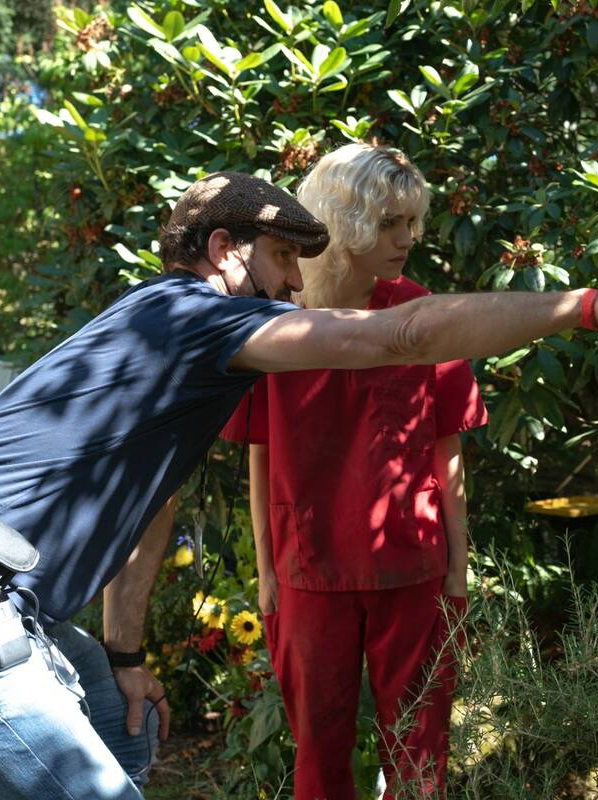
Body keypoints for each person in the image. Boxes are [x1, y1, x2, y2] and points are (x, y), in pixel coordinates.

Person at [0, 169, 598, 800]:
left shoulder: (148, 347)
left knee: (122, 733)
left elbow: (150, 507)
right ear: (224, 251)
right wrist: (585, 306)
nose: (292, 282)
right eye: (282, 257)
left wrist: (128, 653)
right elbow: (404, 335)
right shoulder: (191, 318)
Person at [219, 143, 485, 798]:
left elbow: (447, 446)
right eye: (391, 223)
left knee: (421, 754)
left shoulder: (419, 311)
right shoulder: (276, 322)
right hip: (308, 574)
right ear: (348, 220)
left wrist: (457, 564)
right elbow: (261, 449)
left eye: (410, 222)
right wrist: (267, 571)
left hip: (414, 569)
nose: (407, 238)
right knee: (319, 757)